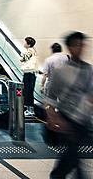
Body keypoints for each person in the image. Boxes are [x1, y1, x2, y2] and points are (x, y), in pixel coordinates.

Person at [47, 32, 92, 179]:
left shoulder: (89, 70)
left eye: (82, 45)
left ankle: (58, 175)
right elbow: (50, 96)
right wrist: (53, 117)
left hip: (83, 120)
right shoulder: (61, 71)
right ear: (69, 47)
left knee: (73, 157)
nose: (80, 48)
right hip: (66, 120)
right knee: (72, 156)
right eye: (76, 45)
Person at [20, 36, 38, 117]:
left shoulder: (30, 51)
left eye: (25, 42)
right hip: (31, 74)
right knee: (28, 92)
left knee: (27, 92)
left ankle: (30, 110)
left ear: (29, 44)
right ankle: (29, 109)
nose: (24, 43)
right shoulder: (33, 51)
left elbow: (22, 59)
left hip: (29, 74)